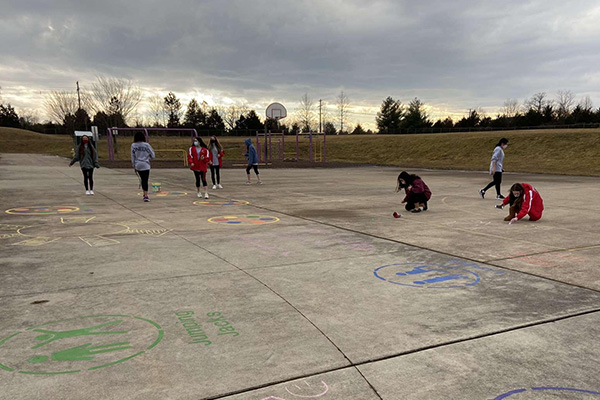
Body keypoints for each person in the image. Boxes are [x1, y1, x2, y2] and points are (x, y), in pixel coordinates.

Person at [131, 132, 155, 202]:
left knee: (142, 179)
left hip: (138, 164)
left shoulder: (133, 145)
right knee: (145, 180)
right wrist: (148, 158)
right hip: (145, 164)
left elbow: (132, 156)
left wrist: (134, 165)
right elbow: (153, 155)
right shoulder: (146, 145)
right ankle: (146, 195)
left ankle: (144, 193)